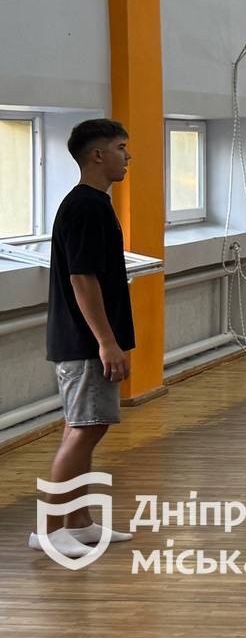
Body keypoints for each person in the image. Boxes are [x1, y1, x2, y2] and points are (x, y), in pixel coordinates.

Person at [30, 119, 137, 561]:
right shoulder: (85, 207)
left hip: (87, 340)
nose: (127, 156)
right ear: (97, 154)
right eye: (121, 147)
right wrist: (106, 342)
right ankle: (49, 529)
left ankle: (78, 522)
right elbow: (82, 278)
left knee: (88, 429)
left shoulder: (93, 204)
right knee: (83, 430)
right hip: (84, 342)